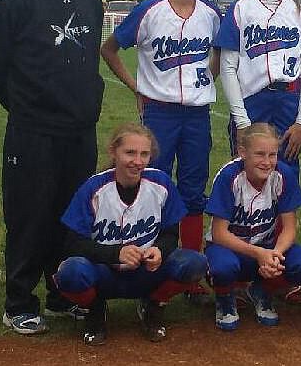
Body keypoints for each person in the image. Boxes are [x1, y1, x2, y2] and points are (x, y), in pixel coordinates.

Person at [0, 0, 104, 335]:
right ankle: (19, 301)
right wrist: (24, 106)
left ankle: (61, 291)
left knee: (71, 216)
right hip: (33, 130)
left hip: (79, 130)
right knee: (30, 214)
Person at [100, 0, 221, 299]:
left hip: (197, 114)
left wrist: (206, 79)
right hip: (160, 113)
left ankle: (191, 269)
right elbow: (109, 49)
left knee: (193, 189)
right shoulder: (150, 10)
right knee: (152, 184)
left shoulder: (211, 13)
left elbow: (223, 54)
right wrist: (135, 86)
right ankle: (147, 261)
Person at [53, 123, 208, 344]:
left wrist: (159, 250)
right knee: (71, 271)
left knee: (195, 263)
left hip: (147, 272)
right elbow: (73, 244)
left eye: (144, 154)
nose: (138, 161)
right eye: (130, 152)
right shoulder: (94, 189)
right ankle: (95, 310)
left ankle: (153, 304)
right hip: (104, 273)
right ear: (113, 152)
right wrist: (115, 254)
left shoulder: (161, 183)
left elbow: (170, 234)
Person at [215, 0, 301, 178]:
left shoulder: (299, 11)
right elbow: (228, 68)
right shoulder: (242, 8)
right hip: (252, 100)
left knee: (286, 175)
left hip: (288, 101)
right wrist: (241, 121)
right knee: (247, 174)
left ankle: (283, 217)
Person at [205, 123, 301, 330]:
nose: (267, 162)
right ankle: (224, 298)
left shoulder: (282, 175)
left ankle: (262, 290)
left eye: (272, 155)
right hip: (230, 249)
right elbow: (219, 233)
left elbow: (290, 228)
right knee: (223, 267)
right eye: (259, 154)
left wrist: (275, 254)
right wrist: (258, 254)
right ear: (242, 152)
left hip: (266, 247)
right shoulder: (229, 177)